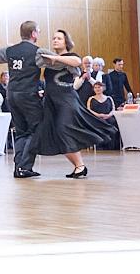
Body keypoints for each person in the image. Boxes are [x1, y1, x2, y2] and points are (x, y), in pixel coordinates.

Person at [32, 29, 115, 178]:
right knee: (57, 134)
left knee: (63, 129)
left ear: (66, 42)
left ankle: (80, 166)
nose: (55, 40)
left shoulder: (70, 57)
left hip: (66, 100)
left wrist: (55, 58)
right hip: (51, 102)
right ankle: (79, 166)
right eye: (54, 38)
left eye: (59, 38)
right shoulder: (50, 60)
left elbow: (77, 61)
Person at [0, 20, 44, 178]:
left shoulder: (10, 50)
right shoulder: (38, 51)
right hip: (28, 95)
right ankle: (24, 166)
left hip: (12, 95)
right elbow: (55, 62)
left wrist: (9, 47)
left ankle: (19, 167)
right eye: (38, 31)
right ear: (33, 34)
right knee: (35, 130)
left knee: (21, 132)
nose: (39, 34)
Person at [86, 79, 118, 150]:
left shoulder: (109, 98)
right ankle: (99, 145)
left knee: (112, 122)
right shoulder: (91, 99)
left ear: (103, 88)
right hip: (96, 118)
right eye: (95, 87)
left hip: (108, 117)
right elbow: (89, 110)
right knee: (100, 123)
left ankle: (111, 145)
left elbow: (113, 109)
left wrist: (108, 115)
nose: (97, 89)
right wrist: (98, 115)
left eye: (99, 87)